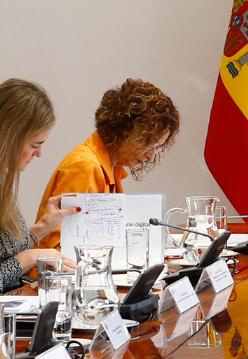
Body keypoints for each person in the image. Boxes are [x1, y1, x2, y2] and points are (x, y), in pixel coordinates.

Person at [0, 79, 74, 297]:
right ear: (10, 138)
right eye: (35, 145)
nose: (38, 153)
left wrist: (42, 228)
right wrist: (31, 257)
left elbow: (0, 253)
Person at [36, 79, 181, 248]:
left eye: (158, 148)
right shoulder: (85, 166)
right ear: (126, 133)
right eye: (149, 145)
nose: (151, 157)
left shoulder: (111, 166)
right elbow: (64, 248)